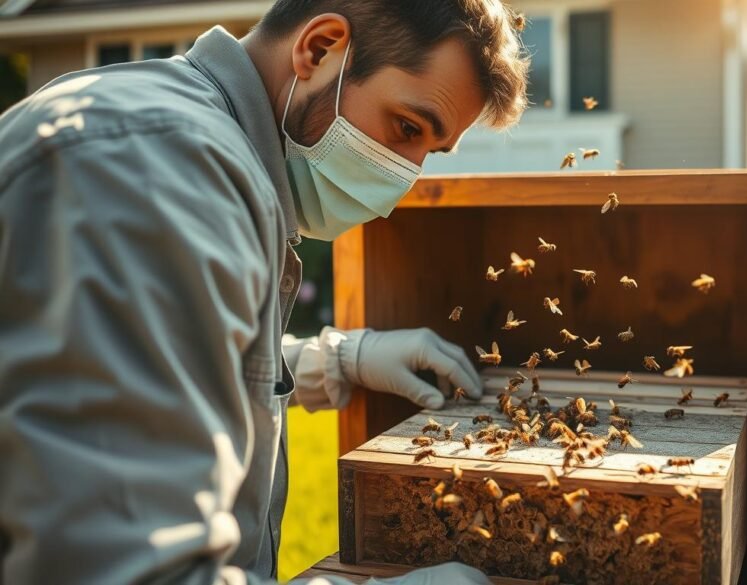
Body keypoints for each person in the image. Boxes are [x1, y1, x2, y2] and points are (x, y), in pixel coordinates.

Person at [0, 0, 529, 583]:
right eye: (406, 128)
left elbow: (144, 366)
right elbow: (123, 569)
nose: (402, 178)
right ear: (320, 49)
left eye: (426, 152)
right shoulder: (159, 170)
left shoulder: (179, 140)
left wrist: (334, 361)